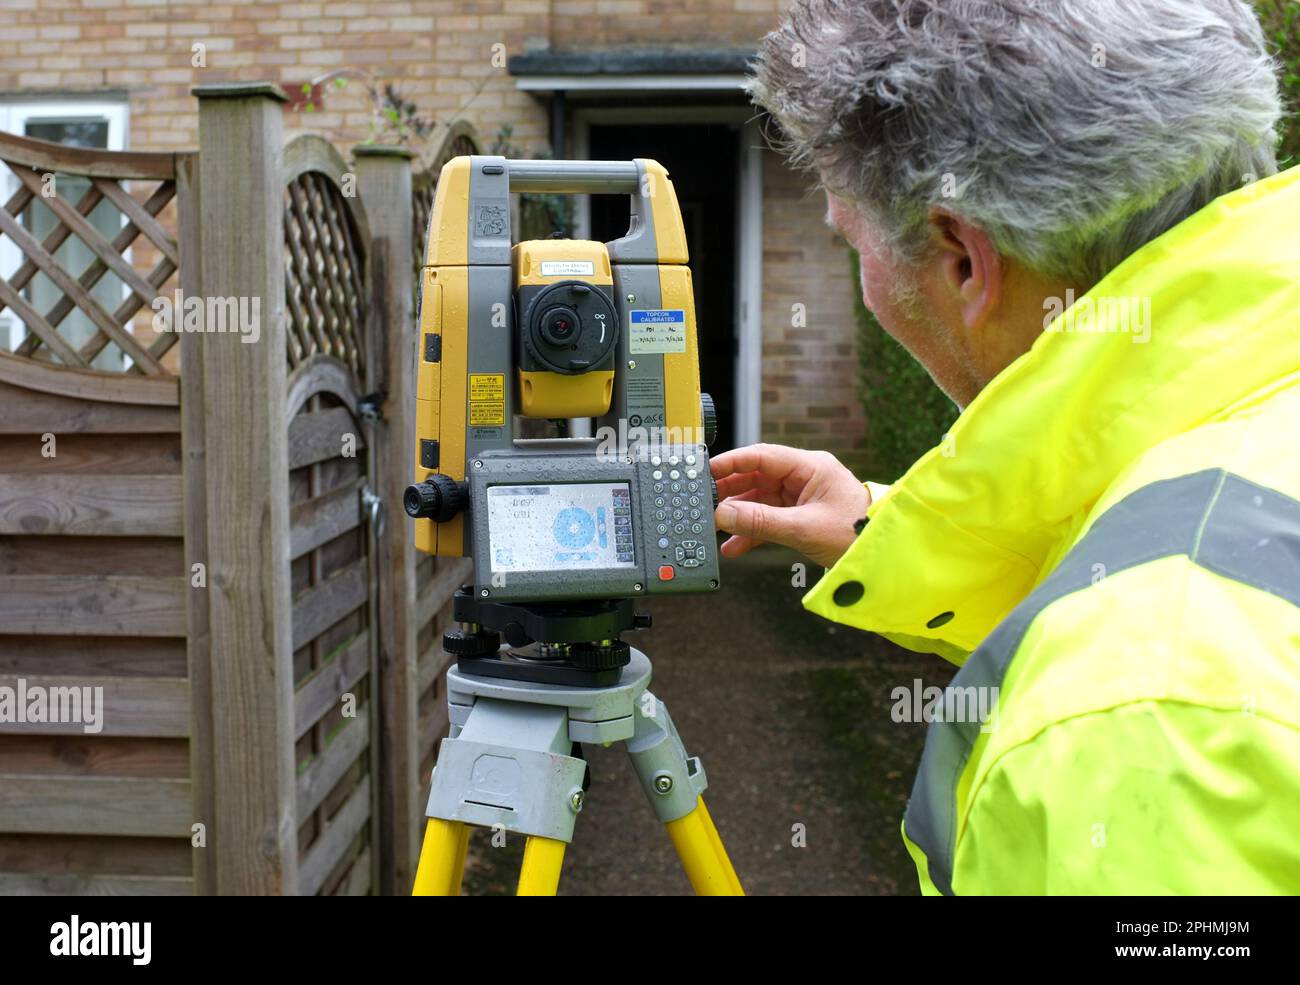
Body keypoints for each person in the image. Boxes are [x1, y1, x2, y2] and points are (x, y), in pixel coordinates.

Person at [716, 0, 1300, 894]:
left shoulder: (1131, 720)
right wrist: (890, 531)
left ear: (961, 260)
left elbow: (1160, 652)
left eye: (850, 238)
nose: (863, 275)